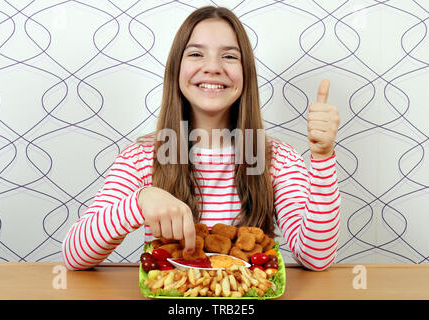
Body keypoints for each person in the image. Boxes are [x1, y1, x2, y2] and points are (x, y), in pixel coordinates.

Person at [61, 6, 340, 271]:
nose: (213, 67)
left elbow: (317, 257)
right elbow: (75, 255)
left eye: (229, 56)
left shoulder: (275, 157)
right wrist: (140, 201)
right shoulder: (142, 156)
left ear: (246, 74)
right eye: (196, 54)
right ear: (176, 69)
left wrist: (323, 156)